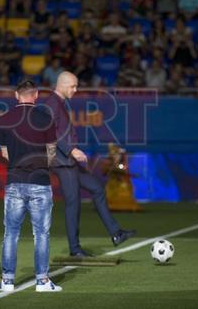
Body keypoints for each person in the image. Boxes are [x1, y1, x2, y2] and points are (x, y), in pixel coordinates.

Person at [44, 72, 136, 257]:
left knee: (97, 189)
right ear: (62, 84)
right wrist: (71, 150)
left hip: (68, 160)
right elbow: (50, 132)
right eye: (73, 86)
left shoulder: (58, 103)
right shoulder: (52, 103)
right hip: (62, 162)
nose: (76, 90)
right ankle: (75, 249)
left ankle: (116, 233)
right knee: (73, 202)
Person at [0, 80, 62, 293]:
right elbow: (52, 152)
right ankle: (42, 281)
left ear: (17, 95)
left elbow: (5, 154)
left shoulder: (4, 119)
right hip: (40, 181)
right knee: (41, 233)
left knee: (10, 233)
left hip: (15, 180)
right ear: (36, 95)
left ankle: (7, 280)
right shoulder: (45, 118)